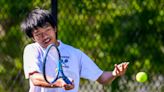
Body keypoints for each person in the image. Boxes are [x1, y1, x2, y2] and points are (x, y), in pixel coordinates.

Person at [20, 8, 129, 92]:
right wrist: (58, 82)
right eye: (38, 34)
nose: (44, 36)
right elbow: (35, 78)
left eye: (47, 30)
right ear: (33, 38)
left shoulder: (74, 54)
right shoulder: (32, 50)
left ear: (55, 29)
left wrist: (115, 73)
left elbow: (102, 78)